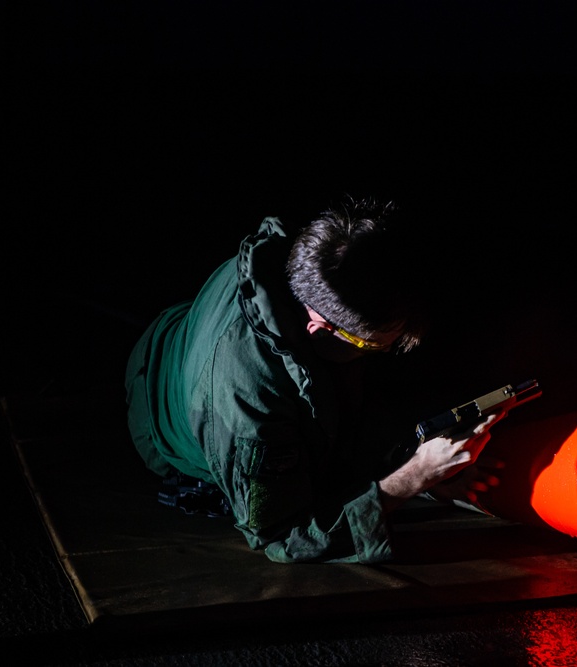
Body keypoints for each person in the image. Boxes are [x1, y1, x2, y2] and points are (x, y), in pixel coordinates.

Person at [124, 197, 502, 564]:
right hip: (156, 409)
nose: (385, 354)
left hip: (181, 330)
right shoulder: (248, 401)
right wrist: (414, 477)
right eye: (374, 346)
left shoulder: (319, 256)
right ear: (318, 329)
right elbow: (283, 536)